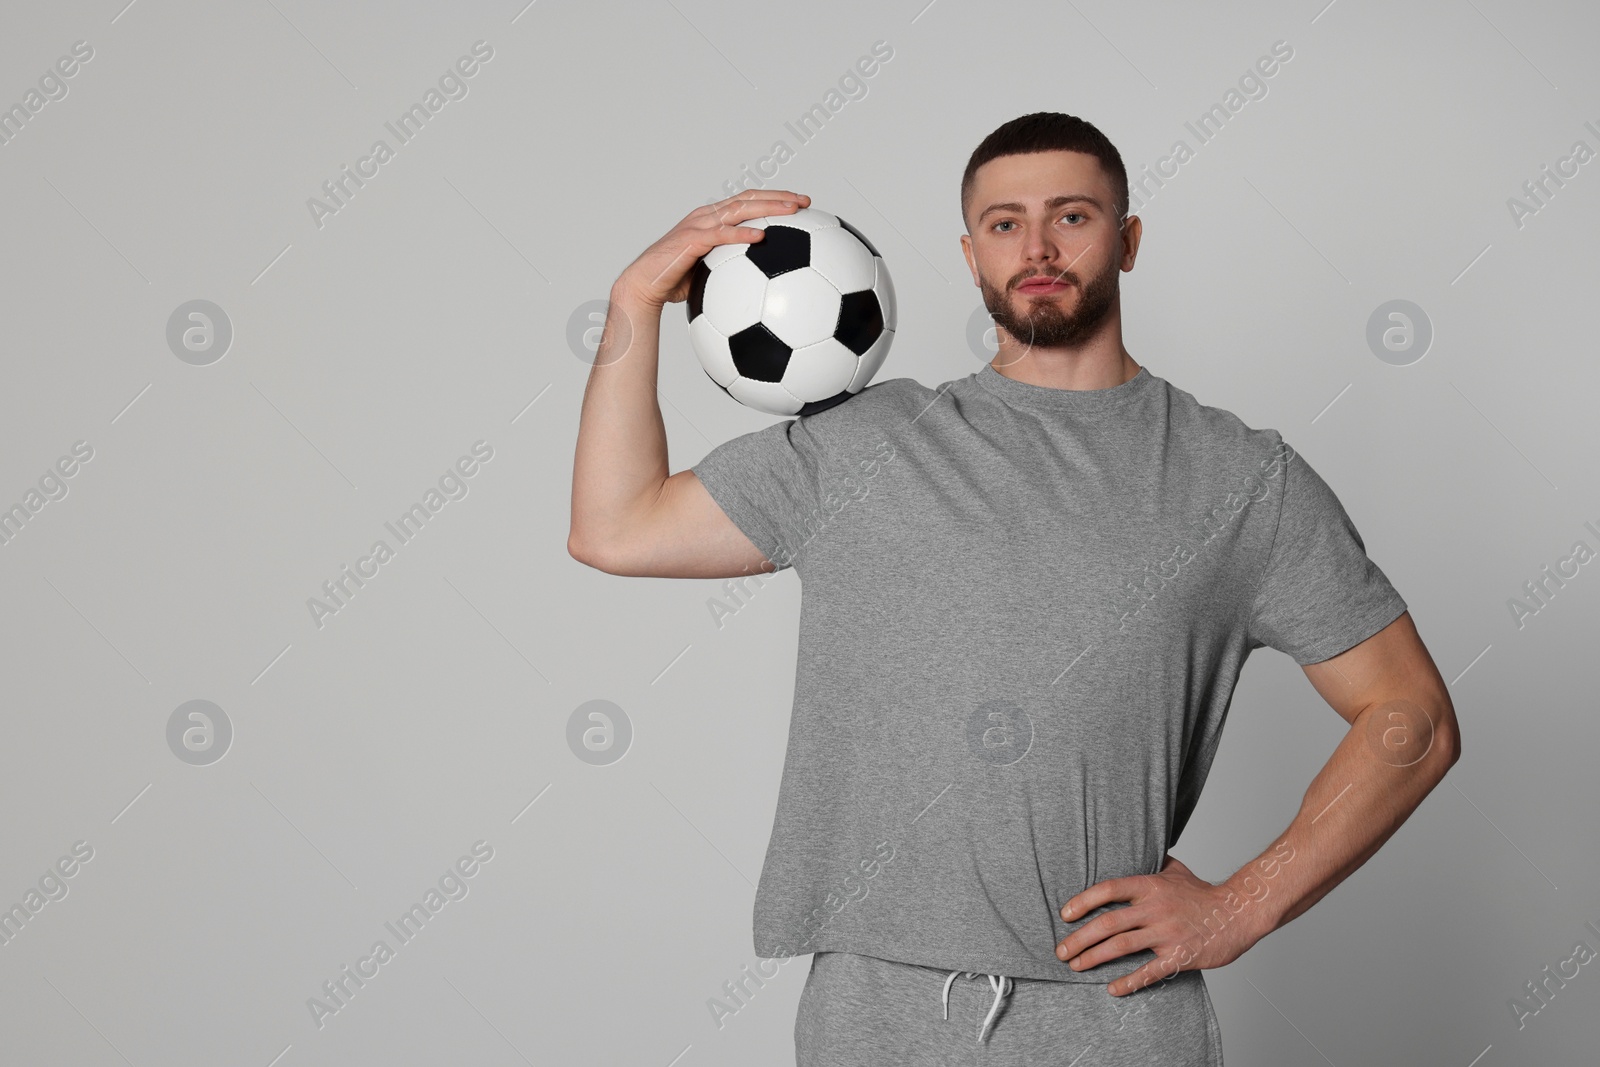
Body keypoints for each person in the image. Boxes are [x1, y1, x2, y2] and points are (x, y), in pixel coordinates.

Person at [568, 111, 1461, 1066]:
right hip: (878, 1012)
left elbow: (1412, 717)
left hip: (1117, 1013)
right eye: (1003, 223)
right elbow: (615, 526)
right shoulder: (868, 445)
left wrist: (1241, 905)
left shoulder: (1239, 479)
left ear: (1128, 239)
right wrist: (634, 299)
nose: (1036, 246)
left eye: (1071, 216)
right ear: (969, 253)